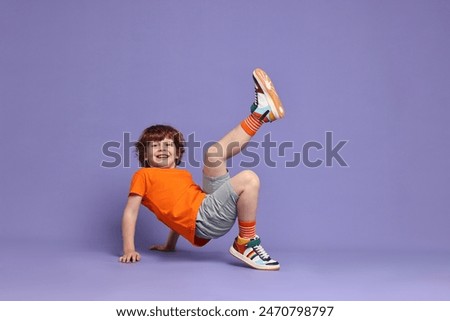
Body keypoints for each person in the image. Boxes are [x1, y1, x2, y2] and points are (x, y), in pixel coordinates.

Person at [119, 68, 285, 270]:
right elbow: (130, 212)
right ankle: (245, 243)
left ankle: (260, 114)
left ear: (178, 153)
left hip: (207, 205)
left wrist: (169, 245)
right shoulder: (143, 175)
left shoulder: (181, 175)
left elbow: (175, 212)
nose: (162, 148)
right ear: (145, 154)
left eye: (168, 145)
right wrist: (128, 249)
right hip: (205, 218)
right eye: (155, 145)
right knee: (248, 178)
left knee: (213, 155)